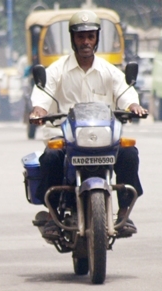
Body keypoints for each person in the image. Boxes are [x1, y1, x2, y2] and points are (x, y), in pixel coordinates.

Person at [29, 10, 146, 239]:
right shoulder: (56, 70)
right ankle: (53, 217)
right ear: (72, 38)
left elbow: (125, 91)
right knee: (51, 158)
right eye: (81, 37)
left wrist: (134, 106)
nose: (85, 42)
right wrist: (39, 111)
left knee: (129, 153)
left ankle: (124, 212)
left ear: (97, 39)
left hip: (103, 138)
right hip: (65, 137)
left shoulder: (109, 71)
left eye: (90, 36)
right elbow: (43, 94)